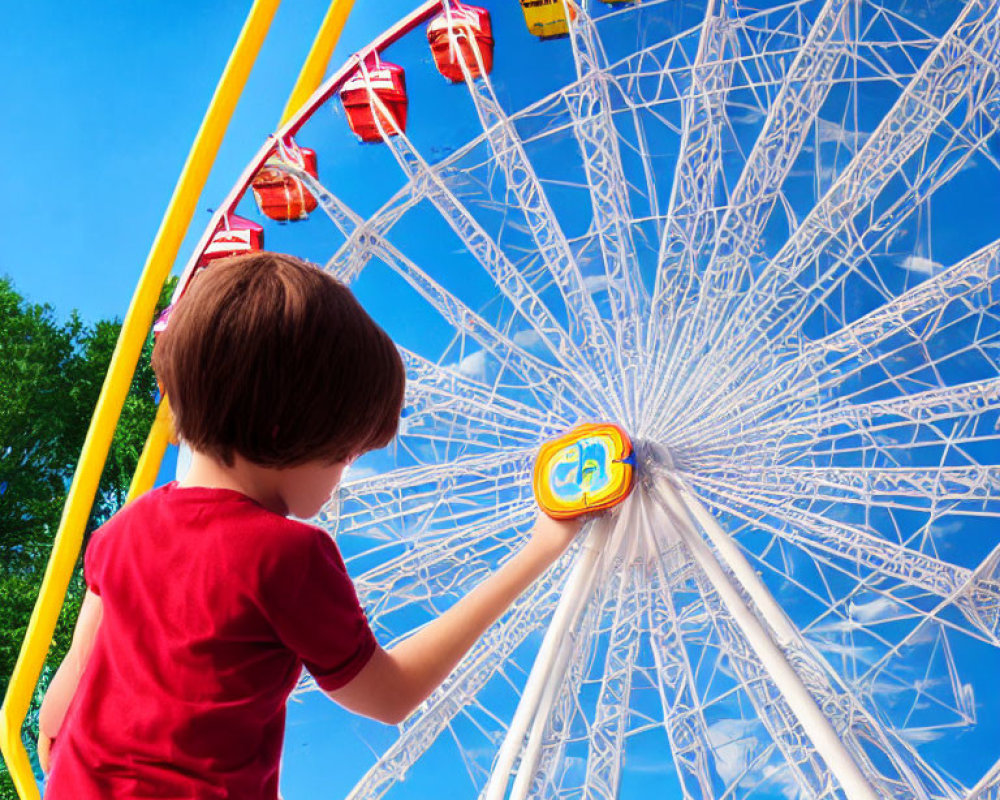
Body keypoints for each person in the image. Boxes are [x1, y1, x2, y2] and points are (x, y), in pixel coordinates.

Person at [37, 252, 585, 799]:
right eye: (343, 457)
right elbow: (390, 695)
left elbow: (58, 712)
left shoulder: (126, 528)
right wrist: (539, 549)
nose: (341, 479)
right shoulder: (286, 555)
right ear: (284, 433)